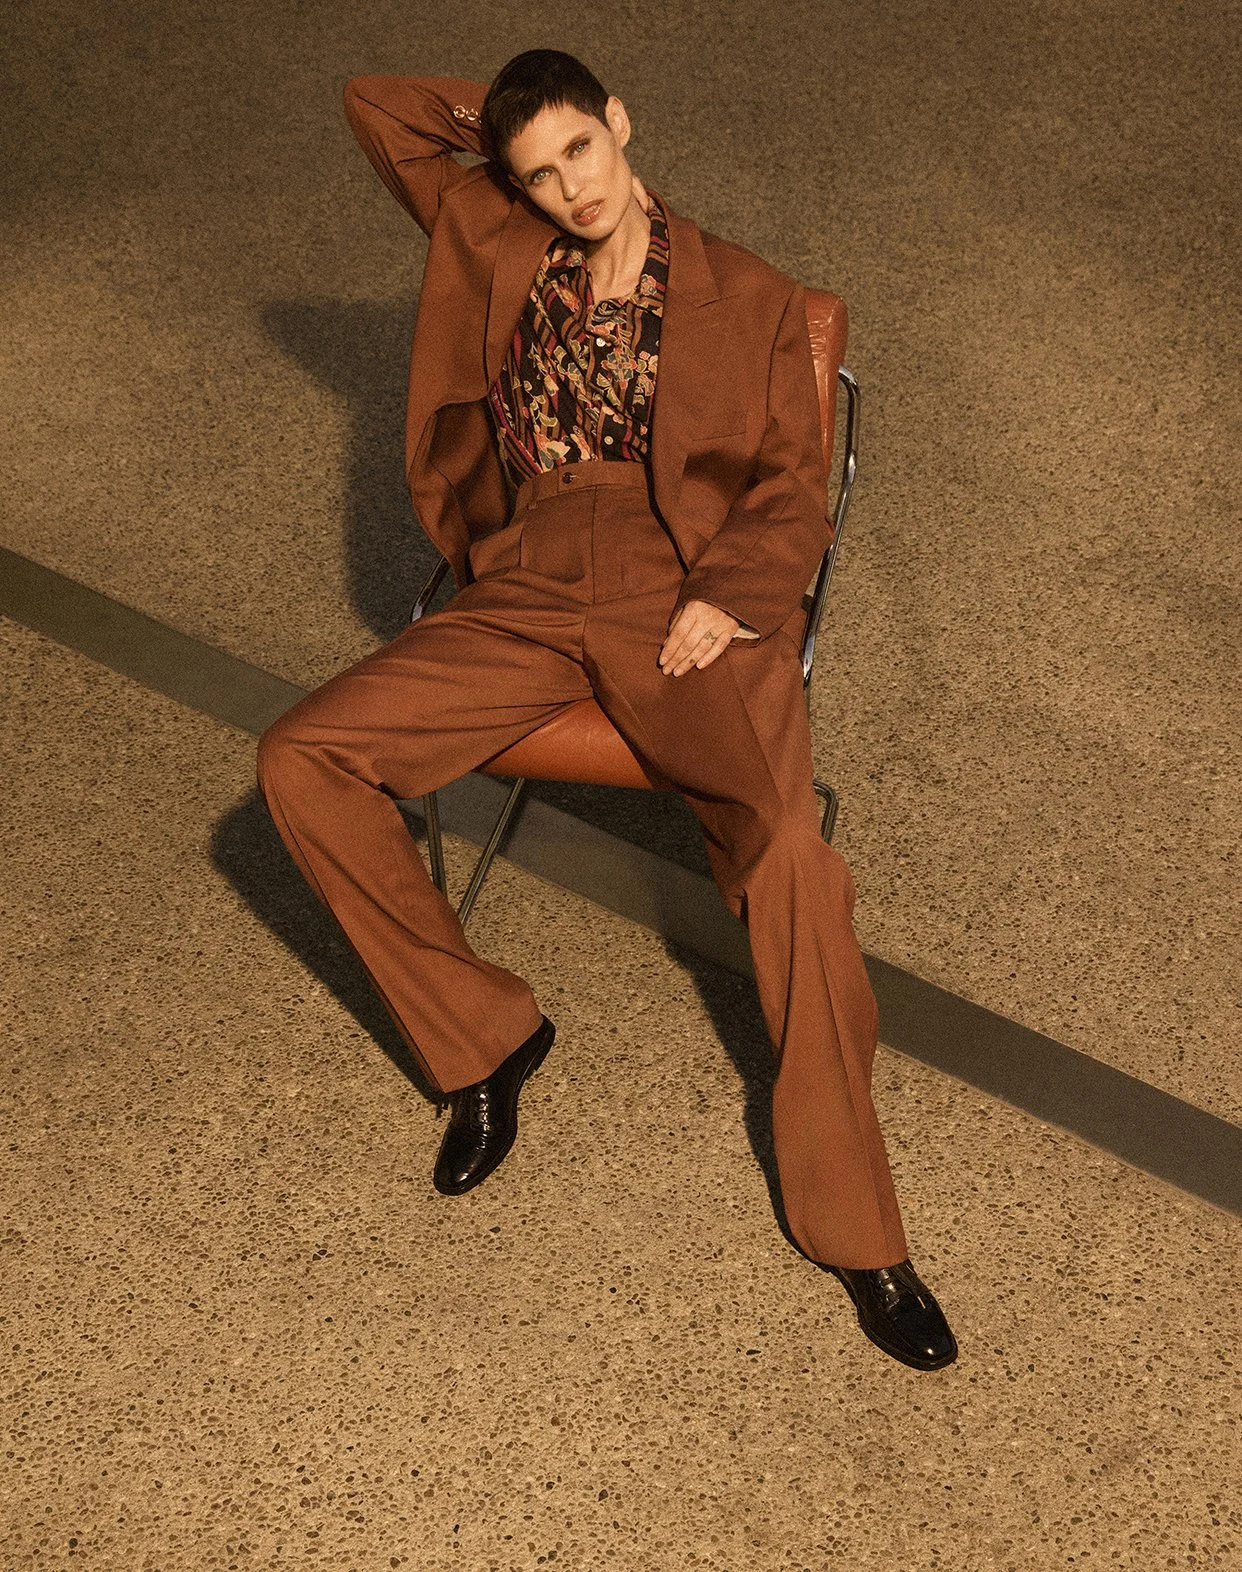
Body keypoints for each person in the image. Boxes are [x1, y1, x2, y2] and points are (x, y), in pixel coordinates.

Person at [256, 49, 958, 1370]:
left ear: (622, 125)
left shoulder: (745, 294)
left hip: (676, 585)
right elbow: (375, 102)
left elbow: (790, 486)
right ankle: (485, 1041)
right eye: (537, 170)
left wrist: (733, 593)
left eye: (579, 149)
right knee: (303, 757)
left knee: (790, 860)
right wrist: (505, 125)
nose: (566, 188)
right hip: (521, 583)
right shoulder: (494, 226)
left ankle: (860, 1230)